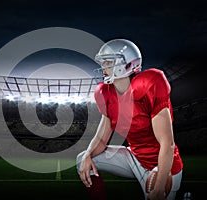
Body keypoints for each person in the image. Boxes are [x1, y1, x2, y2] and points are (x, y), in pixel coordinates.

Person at [76, 39, 183, 200]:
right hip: (134, 157)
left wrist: (159, 188)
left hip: (162, 166)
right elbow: (101, 138)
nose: (104, 65)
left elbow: (167, 144)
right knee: (83, 159)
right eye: (103, 61)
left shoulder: (150, 82)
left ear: (127, 64)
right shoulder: (104, 92)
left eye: (109, 61)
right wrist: (88, 155)